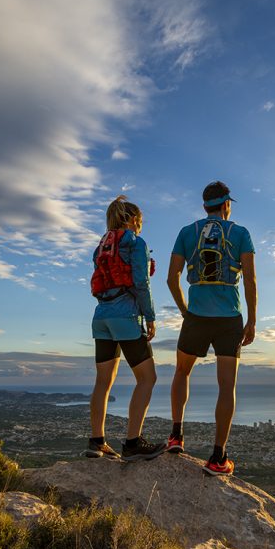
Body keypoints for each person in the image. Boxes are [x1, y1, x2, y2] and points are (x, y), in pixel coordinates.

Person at [166, 181, 256, 476]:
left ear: (205, 206)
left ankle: (176, 436)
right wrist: (251, 320)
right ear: (226, 204)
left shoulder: (187, 233)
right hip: (230, 317)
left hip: (197, 315)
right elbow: (252, 282)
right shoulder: (241, 234)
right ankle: (218, 457)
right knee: (226, 386)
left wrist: (184, 310)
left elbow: (172, 278)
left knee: (182, 371)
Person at [85, 195, 166, 461]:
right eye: (140, 222)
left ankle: (97, 442)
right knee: (147, 378)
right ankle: (133, 443)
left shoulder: (101, 249)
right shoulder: (135, 243)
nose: (141, 227)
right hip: (126, 316)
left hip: (101, 317)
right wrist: (150, 317)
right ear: (132, 220)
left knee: (102, 383)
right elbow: (141, 283)